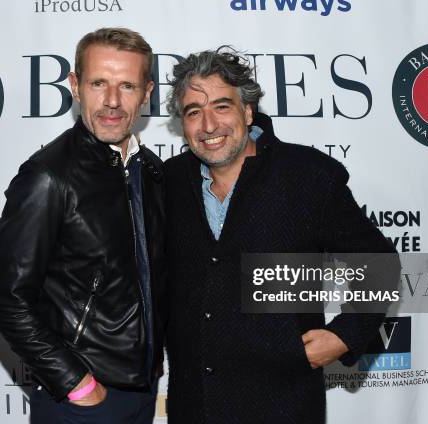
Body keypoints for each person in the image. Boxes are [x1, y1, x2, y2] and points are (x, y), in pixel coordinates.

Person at [163, 47, 397, 424]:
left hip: (283, 404)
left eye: (222, 106)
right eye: (194, 112)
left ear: (248, 111)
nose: (208, 125)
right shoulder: (168, 181)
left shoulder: (308, 175)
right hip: (195, 405)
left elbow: (379, 264)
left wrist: (344, 334)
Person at [0, 27, 167, 424]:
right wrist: (77, 384)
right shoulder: (48, 176)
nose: (113, 101)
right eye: (99, 83)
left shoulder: (151, 171)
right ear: (75, 85)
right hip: (81, 400)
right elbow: (7, 300)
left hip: (143, 392)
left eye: (128, 86)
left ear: (147, 93)